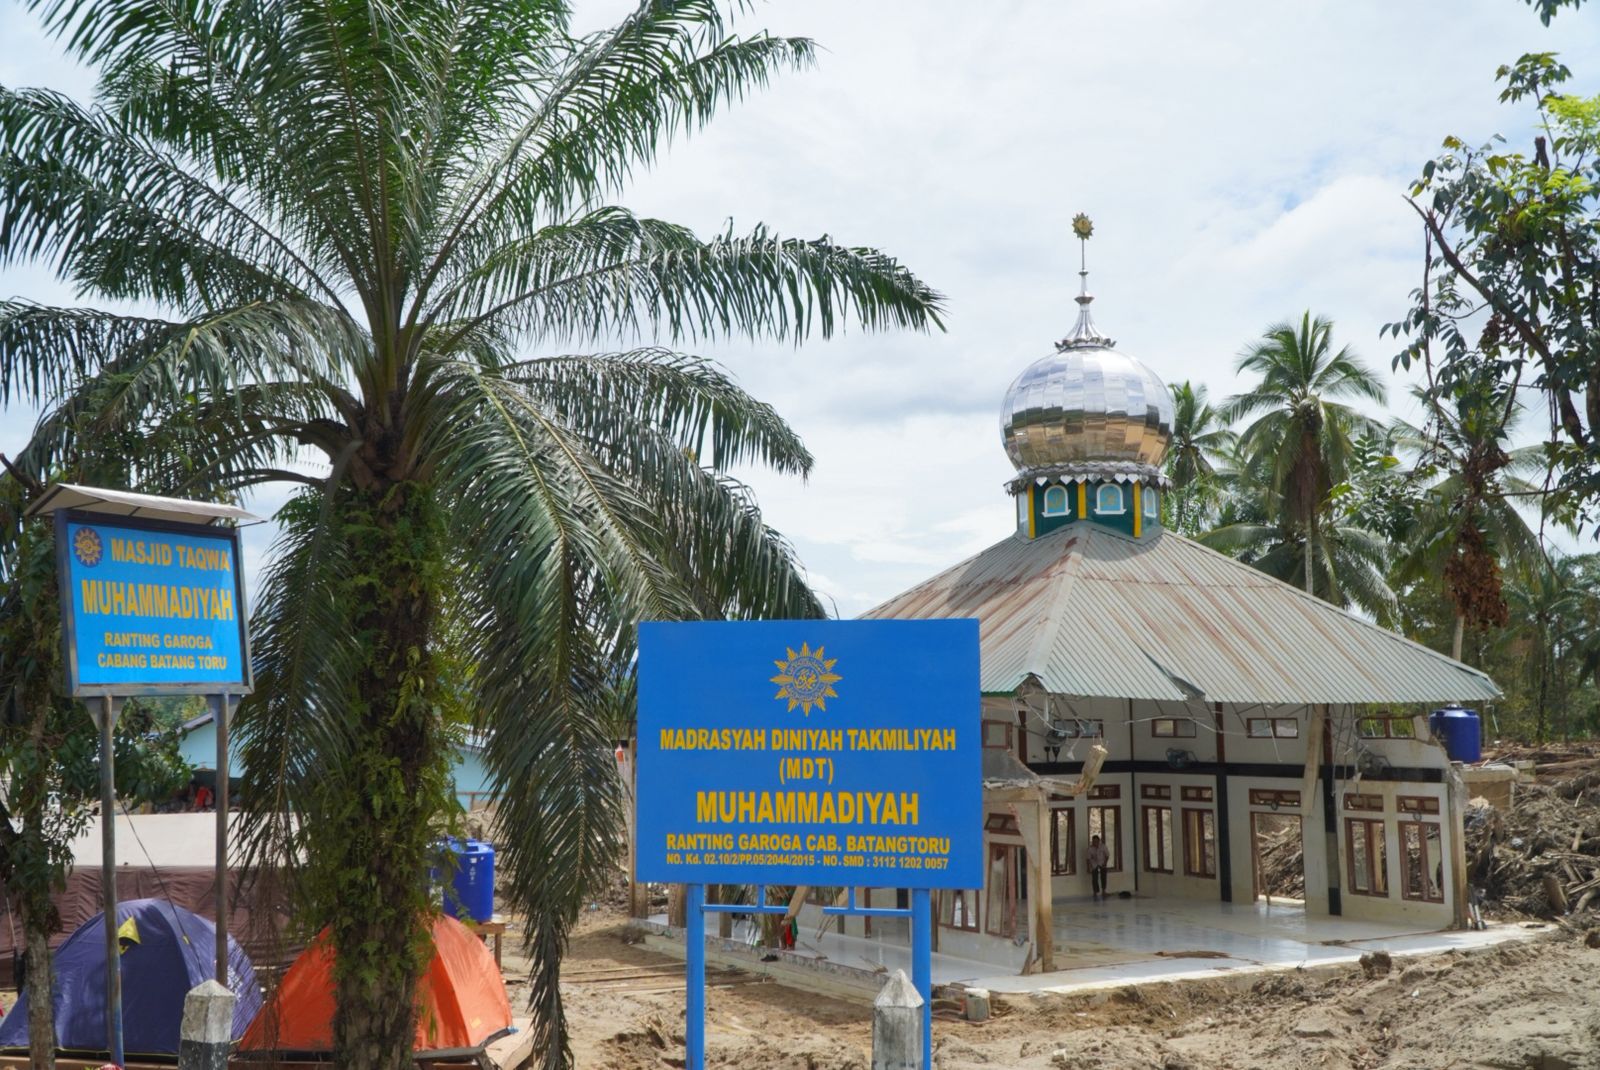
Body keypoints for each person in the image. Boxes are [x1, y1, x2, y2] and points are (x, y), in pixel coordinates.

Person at [1087, 834, 1109, 898]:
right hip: (1094, 864)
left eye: (1096, 841)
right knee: (1094, 879)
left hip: (1102, 863)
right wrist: (1088, 867)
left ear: (1099, 841)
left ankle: (1103, 891)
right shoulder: (1090, 848)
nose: (1095, 843)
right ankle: (1095, 892)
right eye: (1093, 841)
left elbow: (1107, 855)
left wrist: (1105, 863)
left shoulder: (1103, 846)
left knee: (1103, 877)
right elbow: (1088, 859)